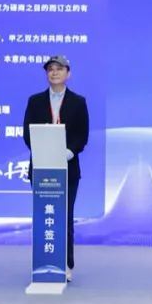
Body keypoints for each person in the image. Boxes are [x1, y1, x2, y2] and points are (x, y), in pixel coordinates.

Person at [23, 55, 90, 281]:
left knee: (64, 216)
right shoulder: (35, 101)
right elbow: (27, 133)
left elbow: (82, 135)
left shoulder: (78, 102)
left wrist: (67, 153)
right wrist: (44, 151)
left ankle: (66, 264)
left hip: (68, 169)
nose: (54, 72)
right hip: (41, 167)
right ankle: (43, 262)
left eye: (59, 69)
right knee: (44, 215)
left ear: (68, 74)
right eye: (50, 69)